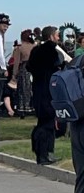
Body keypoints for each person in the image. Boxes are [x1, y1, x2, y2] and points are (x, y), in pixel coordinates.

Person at [27, 26, 65, 165]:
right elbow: (59, 64)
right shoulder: (51, 50)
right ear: (51, 36)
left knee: (44, 121)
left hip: (38, 90)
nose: (59, 37)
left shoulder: (36, 50)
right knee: (48, 123)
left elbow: (29, 67)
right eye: (57, 35)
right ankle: (44, 154)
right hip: (48, 91)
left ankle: (46, 152)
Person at [9, 30, 35, 117]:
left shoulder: (19, 48)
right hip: (33, 69)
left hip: (24, 69)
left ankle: (22, 108)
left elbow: (16, 63)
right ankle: (31, 107)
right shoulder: (35, 46)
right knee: (31, 89)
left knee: (22, 89)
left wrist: (14, 75)